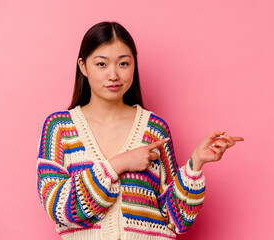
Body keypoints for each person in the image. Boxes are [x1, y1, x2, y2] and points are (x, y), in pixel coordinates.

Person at [36, 21, 244, 240]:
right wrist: (120, 163)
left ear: (134, 65)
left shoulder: (154, 129)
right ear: (83, 66)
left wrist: (195, 165)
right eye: (101, 64)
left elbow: (176, 219)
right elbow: (58, 207)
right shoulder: (60, 128)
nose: (114, 75)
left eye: (124, 64)